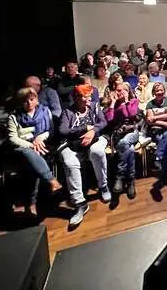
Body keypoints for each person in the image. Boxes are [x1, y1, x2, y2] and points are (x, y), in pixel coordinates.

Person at [57, 84, 109, 226]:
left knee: (97, 152)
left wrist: (92, 131)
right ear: (77, 98)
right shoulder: (68, 111)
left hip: (95, 138)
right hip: (73, 143)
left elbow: (103, 122)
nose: (89, 99)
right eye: (86, 96)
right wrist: (84, 128)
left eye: (89, 95)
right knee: (70, 162)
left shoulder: (94, 106)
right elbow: (63, 131)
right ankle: (79, 203)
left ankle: (103, 186)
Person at [6, 87, 62, 215]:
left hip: (43, 146)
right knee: (28, 153)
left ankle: (31, 203)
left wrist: (40, 137)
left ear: (36, 99)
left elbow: (50, 130)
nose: (29, 103)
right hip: (23, 148)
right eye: (25, 101)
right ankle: (51, 180)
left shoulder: (45, 111)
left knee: (33, 164)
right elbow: (13, 138)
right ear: (20, 102)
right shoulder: (14, 117)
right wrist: (31, 145)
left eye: (32, 99)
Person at [104, 81, 143, 199]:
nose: (119, 92)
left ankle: (119, 176)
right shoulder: (112, 104)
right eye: (118, 90)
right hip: (118, 134)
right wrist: (113, 103)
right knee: (129, 149)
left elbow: (132, 115)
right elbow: (109, 119)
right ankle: (130, 181)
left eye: (122, 90)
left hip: (132, 132)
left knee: (124, 142)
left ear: (127, 91)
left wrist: (126, 102)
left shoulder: (133, 101)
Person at [145, 83, 167, 183]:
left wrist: (155, 117)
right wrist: (165, 123)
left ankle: (158, 157)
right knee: (163, 143)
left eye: (161, 90)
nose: (159, 92)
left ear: (164, 91)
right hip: (156, 129)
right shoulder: (150, 104)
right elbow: (149, 121)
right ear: (154, 92)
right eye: (157, 90)